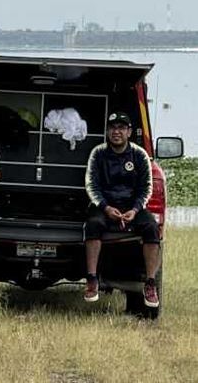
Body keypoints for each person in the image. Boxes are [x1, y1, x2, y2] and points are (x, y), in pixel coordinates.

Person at [83, 111, 160, 307]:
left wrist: (135, 210)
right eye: (112, 128)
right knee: (93, 224)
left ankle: (150, 284)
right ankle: (92, 279)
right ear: (108, 131)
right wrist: (105, 207)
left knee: (152, 227)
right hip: (104, 206)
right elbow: (92, 185)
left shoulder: (139, 154)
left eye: (121, 128)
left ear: (129, 132)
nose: (116, 132)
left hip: (131, 208)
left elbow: (146, 188)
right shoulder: (98, 153)